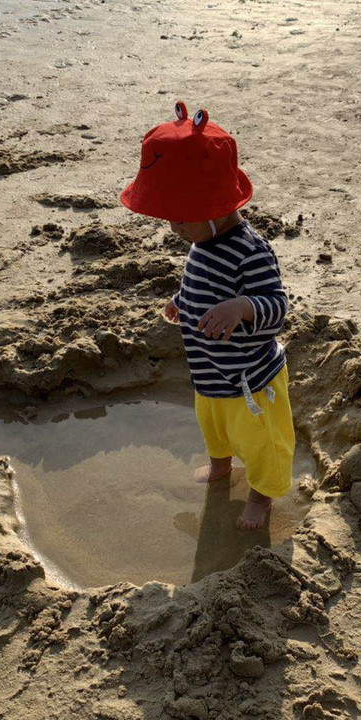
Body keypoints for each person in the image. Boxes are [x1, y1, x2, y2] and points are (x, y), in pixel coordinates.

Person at [119, 101, 295, 530]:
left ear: (215, 207)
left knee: (260, 444)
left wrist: (243, 307)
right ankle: (220, 468)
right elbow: (199, 281)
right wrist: (182, 301)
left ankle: (261, 496)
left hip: (250, 379)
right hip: (209, 372)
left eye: (181, 220)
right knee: (214, 428)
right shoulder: (201, 242)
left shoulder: (250, 250)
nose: (175, 229)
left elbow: (278, 308)